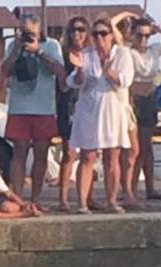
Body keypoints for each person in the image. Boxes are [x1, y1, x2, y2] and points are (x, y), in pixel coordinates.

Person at [113, 13, 161, 203]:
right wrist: (127, 15)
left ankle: (149, 188)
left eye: (147, 35)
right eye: (140, 35)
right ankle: (129, 189)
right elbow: (113, 27)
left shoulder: (154, 49)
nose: (143, 39)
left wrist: (159, 29)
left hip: (150, 98)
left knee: (147, 148)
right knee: (132, 149)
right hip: (133, 99)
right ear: (133, 35)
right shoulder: (127, 51)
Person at [67, 17, 134, 215]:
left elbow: (125, 80)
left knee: (112, 157)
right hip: (89, 110)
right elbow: (74, 82)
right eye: (95, 34)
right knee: (87, 156)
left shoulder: (122, 54)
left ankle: (112, 201)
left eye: (103, 33)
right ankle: (82, 203)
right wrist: (79, 68)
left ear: (111, 36)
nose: (99, 38)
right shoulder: (85, 55)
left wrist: (108, 71)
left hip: (112, 110)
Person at [1, 12, 64, 213]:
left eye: (29, 32)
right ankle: (18, 199)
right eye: (22, 31)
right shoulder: (13, 45)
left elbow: (59, 71)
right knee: (18, 153)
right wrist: (17, 49)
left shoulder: (52, 45)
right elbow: (4, 71)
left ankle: (36, 199)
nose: (25, 35)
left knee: (41, 155)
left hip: (44, 108)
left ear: (39, 30)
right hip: (20, 107)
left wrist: (39, 52)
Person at [56, 16, 89, 212]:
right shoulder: (64, 54)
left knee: (89, 154)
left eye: (81, 30)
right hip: (68, 105)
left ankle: (87, 197)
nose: (77, 34)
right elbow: (62, 85)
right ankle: (63, 198)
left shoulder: (92, 54)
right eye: (73, 30)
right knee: (69, 153)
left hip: (89, 105)